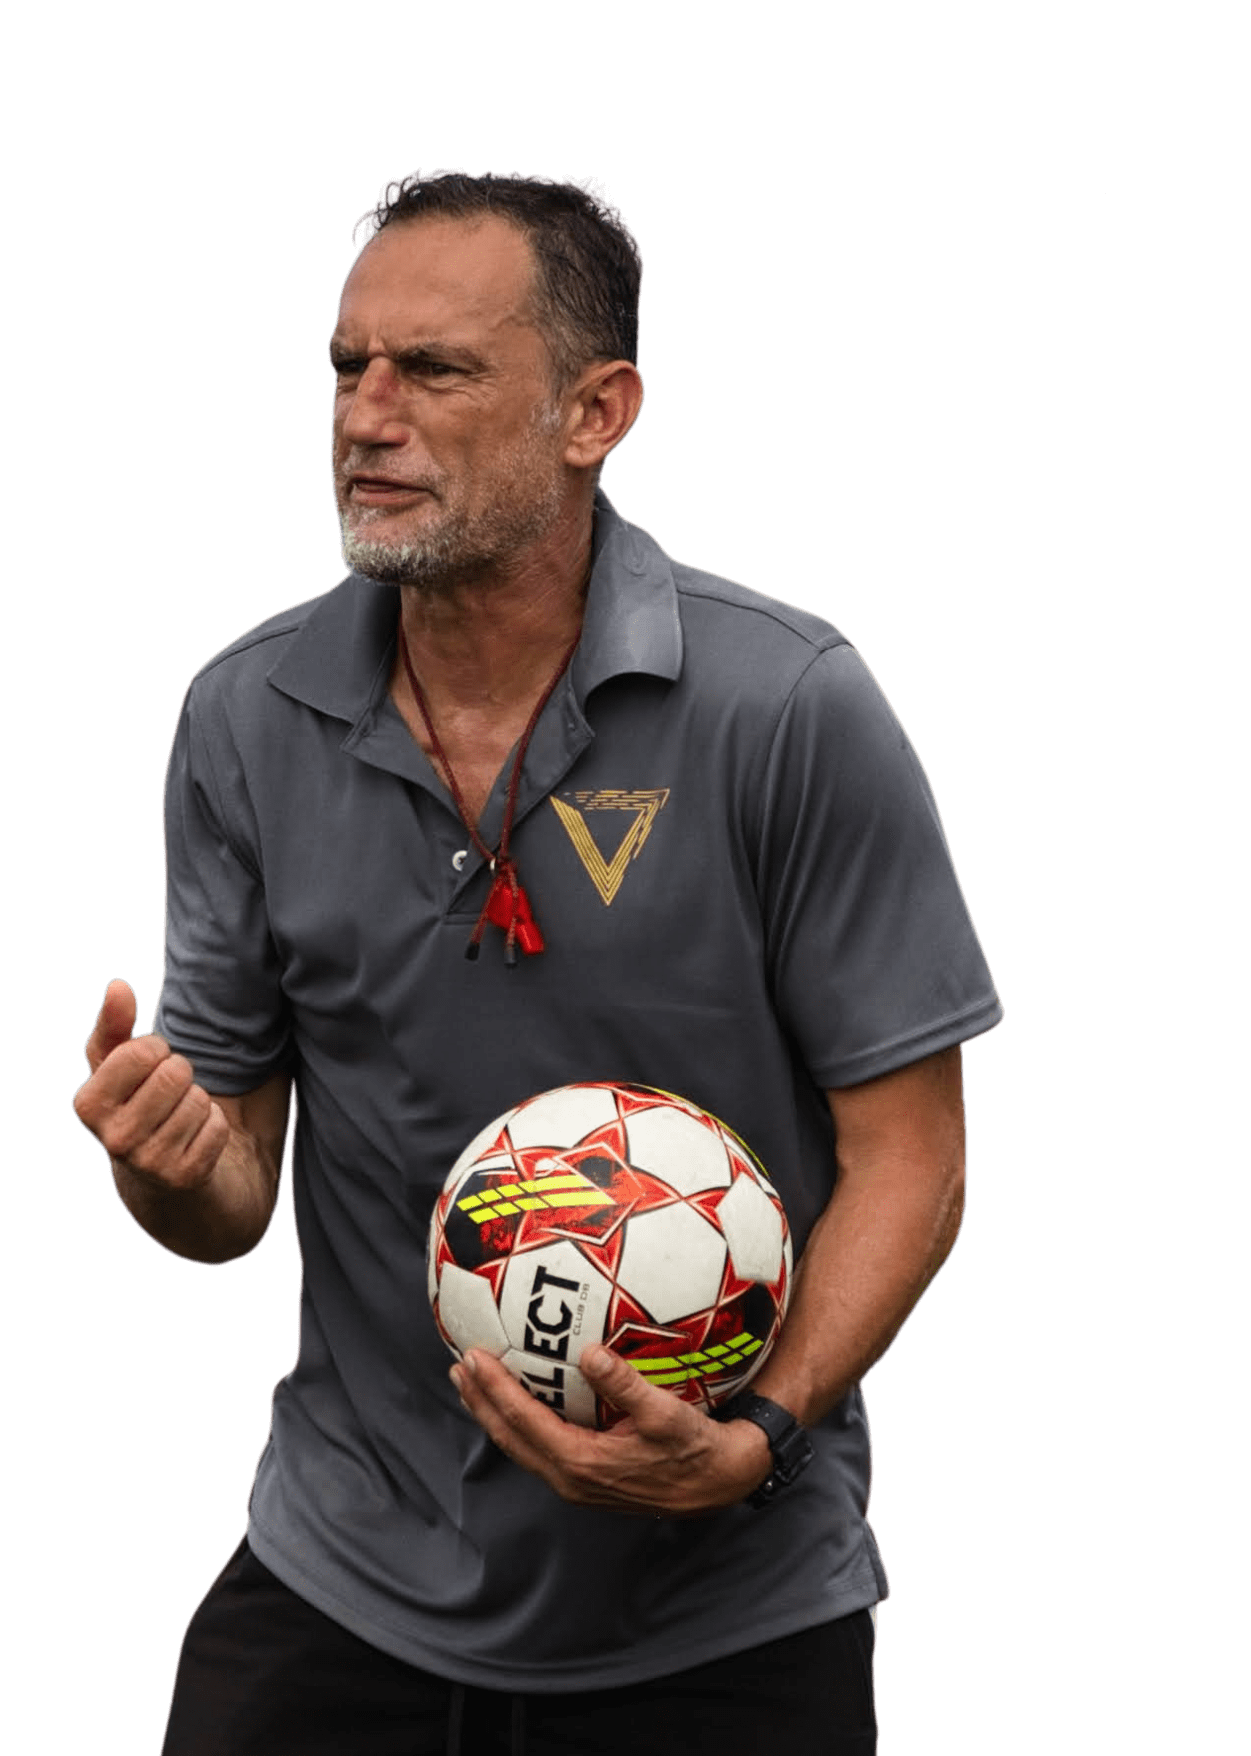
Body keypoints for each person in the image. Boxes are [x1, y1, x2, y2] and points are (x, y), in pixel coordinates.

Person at [72, 170, 1003, 1754]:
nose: (365, 416)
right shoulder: (243, 714)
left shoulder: (789, 706)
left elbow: (912, 1157)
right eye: (347, 367)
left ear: (595, 412)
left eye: (433, 370)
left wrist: (756, 1439)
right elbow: (228, 1199)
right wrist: (169, 1167)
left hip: (723, 1605)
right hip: (346, 1573)